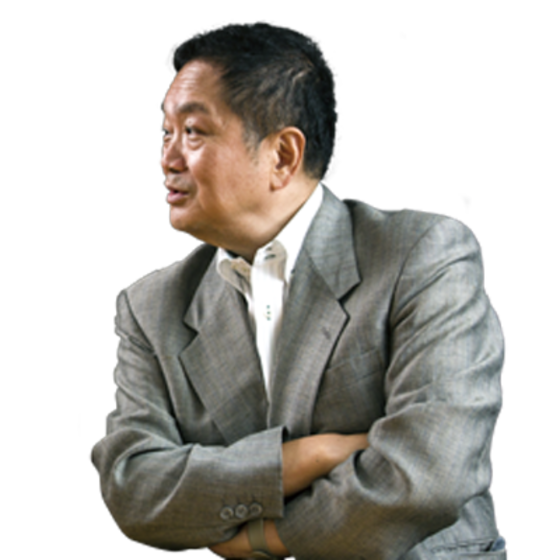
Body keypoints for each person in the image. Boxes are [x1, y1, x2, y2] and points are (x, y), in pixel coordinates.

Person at [91, 21, 507, 559]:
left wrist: (267, 538)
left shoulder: (421, 255)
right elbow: (133, 491)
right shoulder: (150, 306)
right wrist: (302, 459)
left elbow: (430, 472)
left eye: (193, 132)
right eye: (165, 134)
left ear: (283, 155)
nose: (166, 160)